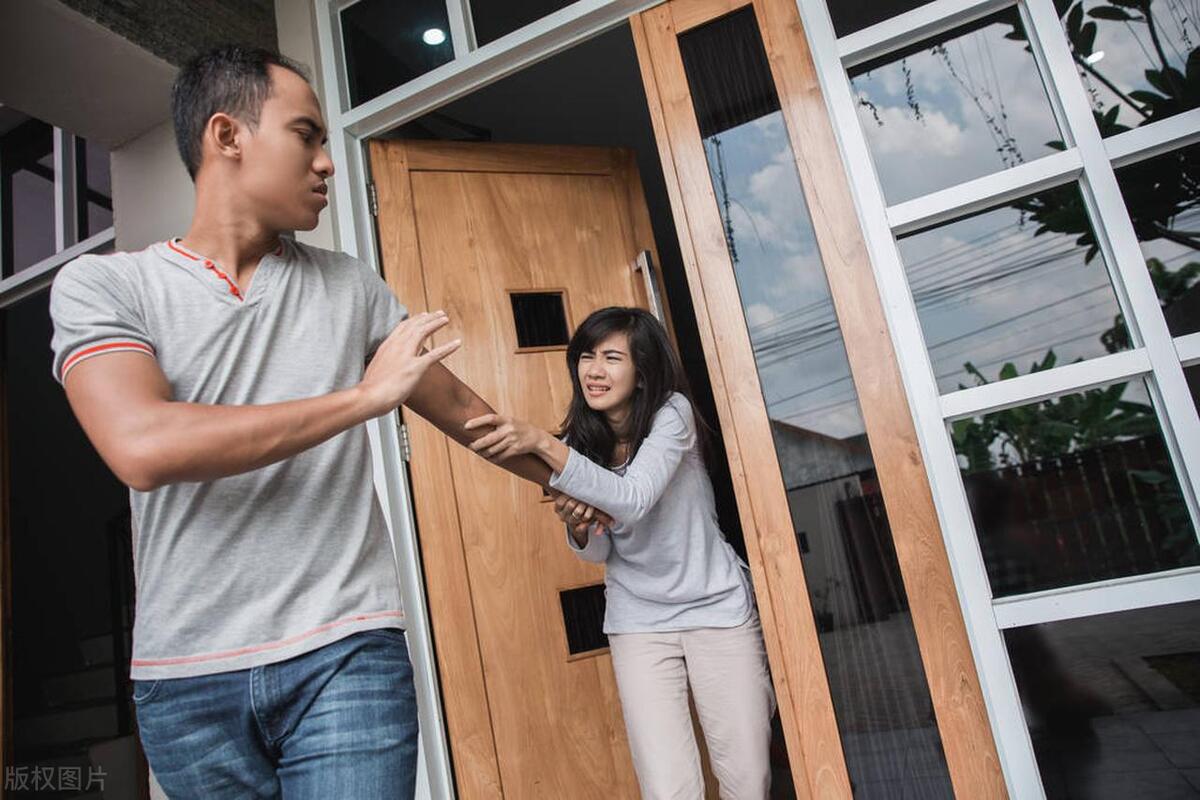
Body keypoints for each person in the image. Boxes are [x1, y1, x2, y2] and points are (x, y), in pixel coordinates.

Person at [49, 45, 564, 798]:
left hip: (343, 650)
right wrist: (362, 399)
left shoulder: (349, 285)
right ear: (227, 136)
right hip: (186, 681)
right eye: (306, 135)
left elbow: (462, 412)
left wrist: (576, 482)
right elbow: (142, 446)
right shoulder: (106, 286)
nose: (327, 162)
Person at [463, 306, 776, 799]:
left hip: (716, 610)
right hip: (639, 622)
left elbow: (632, 499)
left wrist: (544, 445)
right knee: (668, 788)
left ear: (643, 368)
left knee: (747, 778)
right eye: (587, 356)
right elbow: (601, 550)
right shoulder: (578, 444)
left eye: (612, 357)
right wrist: (579, 526)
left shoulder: (671, 415)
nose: (595, 370)